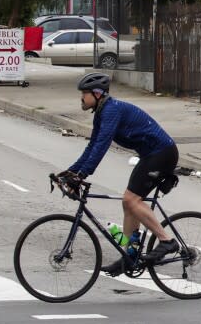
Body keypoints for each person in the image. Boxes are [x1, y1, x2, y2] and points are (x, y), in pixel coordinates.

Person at [58, 73, 181, 275]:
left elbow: (102, 147)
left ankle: (167, 241)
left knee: (132, 200)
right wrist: (72, 171)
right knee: (128, 202)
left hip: (162, 153)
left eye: (84, 94)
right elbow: (92, 146)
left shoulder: (111, 111)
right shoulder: (102, 112)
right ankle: (130, 257)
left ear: (97, 94)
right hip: (150, 155)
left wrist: (83, 175)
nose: (81, 98)